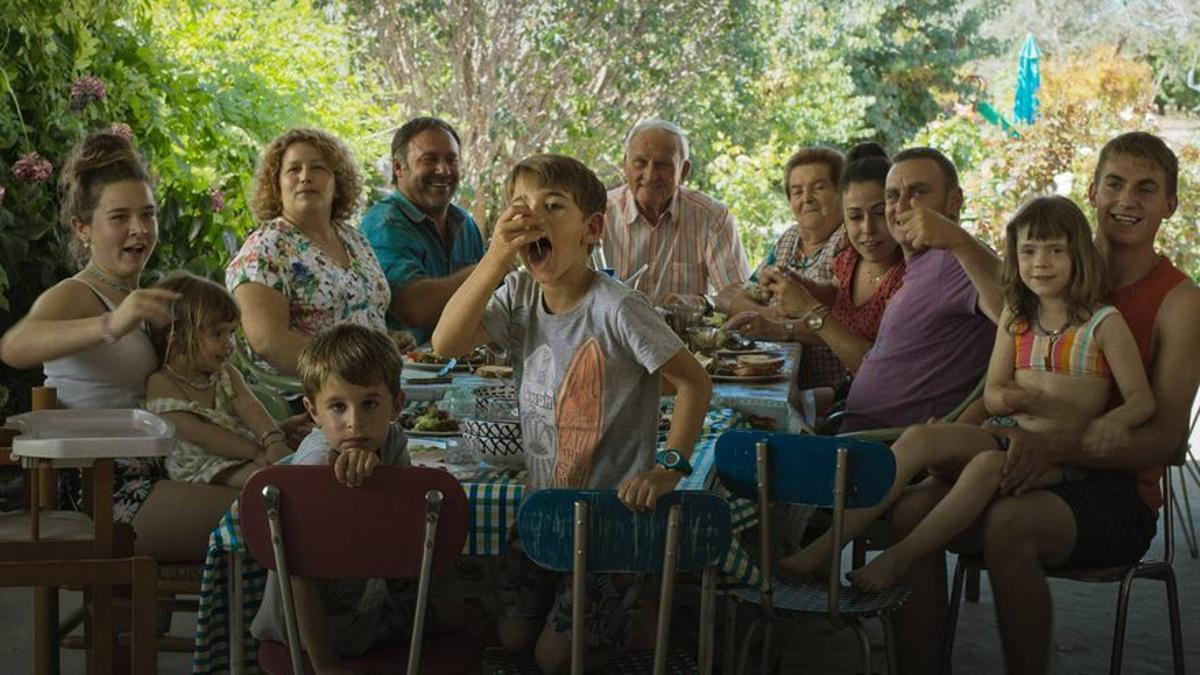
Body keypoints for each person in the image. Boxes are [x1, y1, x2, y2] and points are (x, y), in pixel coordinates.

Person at [886, 132, 1200, 674]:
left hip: (1117, 493)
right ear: (1093, 192)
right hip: (1016, 452)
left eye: (1146, 189)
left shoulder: (1180, 302)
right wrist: (963, 430)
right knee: (911, 509)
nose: (1127, 200)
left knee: (1011, 525)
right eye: (1114, 184)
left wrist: (1057, 449)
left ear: (1170, 205)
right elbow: (1004, 374)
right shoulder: (1048, 268)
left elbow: (1167, 440)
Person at [777, 195, 1155, 589]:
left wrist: (1113, 422)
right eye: (1028, 251)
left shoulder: (1102, 323)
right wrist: (1014, 399)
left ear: (1079, 255)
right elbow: (993, 394)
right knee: (920, 438)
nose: (1040, 263)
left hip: (1058, 455)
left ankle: (896, 560)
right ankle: (825, 547)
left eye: (1055, 251)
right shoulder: (1017, 319)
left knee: (987, 467)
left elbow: (1141, 400)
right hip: (1005, 431)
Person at [433, 153, 712, 674]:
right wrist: (494, 260)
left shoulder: (618, 307)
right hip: (544, 507)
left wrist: (670, 467)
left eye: (553, 206)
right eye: (521, 205)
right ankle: (619, 615)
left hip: (612, 516)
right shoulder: (519, 293)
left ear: (592, 229)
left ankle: (644, 620)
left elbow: (694, 382)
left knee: (554, 658)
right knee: (513, 638)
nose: (532, 216)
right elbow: (445, 342)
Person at [0, 131, 237, 562]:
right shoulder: (78, 294)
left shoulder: (143, 296)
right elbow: (14, 347)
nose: (139, 229)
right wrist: (111, 323)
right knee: (272, 516)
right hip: (104, 492)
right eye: (119, 217)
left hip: (165, 469)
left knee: (285, 497)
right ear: (82, 228)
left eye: (147, 214)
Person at [251, 324, 444, 674]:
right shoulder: (312, 470)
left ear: (396, 405)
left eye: (369, 403)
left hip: (367, 608)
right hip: (306, 634)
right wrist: (326, 666)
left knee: (473, 607)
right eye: (337, 407)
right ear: (313, 411)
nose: (355, 423)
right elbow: (300, 577)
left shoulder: (393, 440)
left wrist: (380, 479)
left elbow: (407, 529)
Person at [835, 147, 1003, 432]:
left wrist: (957, 240)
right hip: (854, 429)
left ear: (954, 201)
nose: (900, 207)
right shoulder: (921, 264)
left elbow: (1019, 317)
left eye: (917, 192)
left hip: (885, 446)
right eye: (892, 196)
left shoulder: (955, 260)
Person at [745, 143, 905, 414]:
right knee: (758, 410)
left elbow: (879, 371)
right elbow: (835, 292)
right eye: (855, 216)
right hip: (850, 393)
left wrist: (809, 310)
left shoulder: (906, 277)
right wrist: (799, 282)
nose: (867, 228)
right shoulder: (851, 258)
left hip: (884, 411)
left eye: (879, 213)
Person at [226, 128, 393, 376]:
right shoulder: (265, 248)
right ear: (276, 185)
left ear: (338, 184)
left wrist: (388, 342)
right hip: (310, 390)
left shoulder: (353, 238)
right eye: (293, 169)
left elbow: (363, 312)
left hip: (375, 382)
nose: (305, 177)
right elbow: (268, 343)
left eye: (318, 168)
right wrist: (356, 370)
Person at [720, 146, 850, 391]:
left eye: (818, 188)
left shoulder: (848, 241)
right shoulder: (790, 238)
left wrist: (778, 327)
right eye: (797, 191)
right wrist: (771, 316)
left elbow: (844, 325)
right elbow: (737, 296)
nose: (807, 198)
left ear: (841, 192)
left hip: (828, 388)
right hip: (778, 374)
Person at [145, 272, 293, 487]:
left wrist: (273, 439)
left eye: (231, 333)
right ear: (177, 340)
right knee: (271, 480)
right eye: (217, 334)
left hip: (243, 452)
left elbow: (249, 405)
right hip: (203, 466)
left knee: (309, 457)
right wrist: (257, 452)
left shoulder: (225, 373)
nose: (229, 344)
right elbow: (199, 434)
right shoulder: (162, 383)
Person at [361, 117, 485, 345]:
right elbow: (413, 309)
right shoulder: (384, 223)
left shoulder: (465, 223)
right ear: (398, 167)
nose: (443, 170)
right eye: (429, 160)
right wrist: (491, 268)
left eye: (451, 160)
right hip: (400, 364)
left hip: (462, 362)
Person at [602, 119, 750, 307]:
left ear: (684, 171)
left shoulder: (711, 217)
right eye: (640, 163)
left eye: (662, 165)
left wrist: (700, 303)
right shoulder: (599, 214)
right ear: (625, 166)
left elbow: (738, 294)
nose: (650, 175)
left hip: (681, 327)